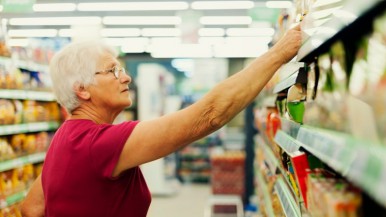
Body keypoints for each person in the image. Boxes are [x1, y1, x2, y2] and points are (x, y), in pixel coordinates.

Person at [21, 24, 301, 217]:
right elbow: (210, 114)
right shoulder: (100, 144)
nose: (126, 77)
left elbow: (31, 208)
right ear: (81, 90)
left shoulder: (64, 138)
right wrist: (279, 53)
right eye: (112, 71)